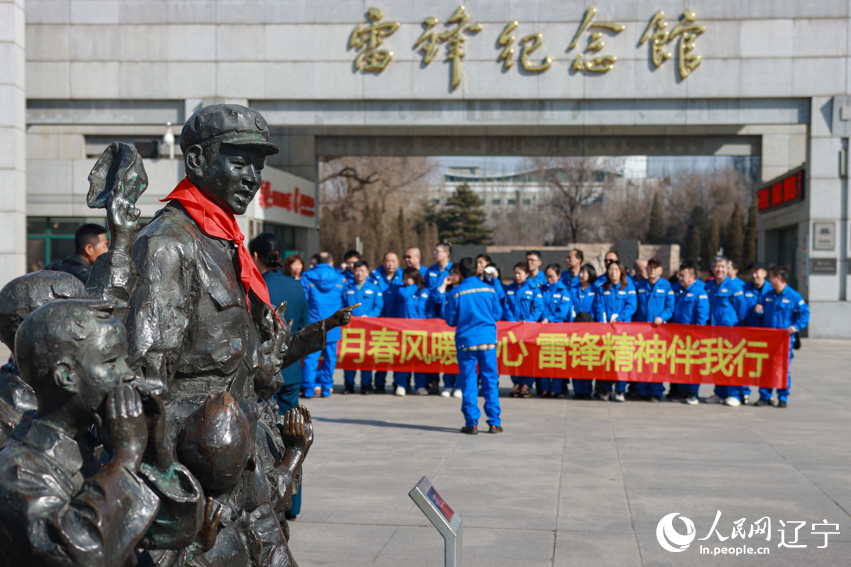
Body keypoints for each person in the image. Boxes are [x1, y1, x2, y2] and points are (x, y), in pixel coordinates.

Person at [0, 299, 203, 565]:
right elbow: (80, 554)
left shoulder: (97, 449)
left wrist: (152, 453)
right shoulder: (16, 472)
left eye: (124, 359)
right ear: (66, 376)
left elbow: (176, 530)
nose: (128, 374)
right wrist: (126, 457)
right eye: (110, 362)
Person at [250, 232, 309, 521]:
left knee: (262, 435)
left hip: (261, 373)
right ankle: (293, 505)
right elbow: (304, 328)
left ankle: (267, 499)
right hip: (292, 369)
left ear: (256, 256)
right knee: (293, 434)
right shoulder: (297, 287)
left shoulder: (254, 285)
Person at [443, 257, 503, 435]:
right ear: (477, 271)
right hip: (487, 341)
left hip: (466, 343)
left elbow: (451, 320)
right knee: (490, 382)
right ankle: (494, 423)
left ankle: (472, 424)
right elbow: (498, 313)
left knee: (468, 383)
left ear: (460, 273)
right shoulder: (490, 290)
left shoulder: (456, 292)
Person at [753, 266, 809, 407]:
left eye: (770, 277)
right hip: (768, 340)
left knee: (782, 369)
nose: (768, 280)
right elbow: (761, 313)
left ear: (778, 278)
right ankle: (765, 396)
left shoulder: (793, 296)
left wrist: (795, 327)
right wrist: (759, 311)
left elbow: (805, 313)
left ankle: (782, 397)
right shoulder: (767, 295)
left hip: (784, 340)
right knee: (766, 368)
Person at [704, 255, 748, 406]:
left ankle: (734, 394)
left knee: (731, 363)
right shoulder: (708, 286)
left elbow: (742, 310)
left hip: (731, 332)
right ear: (712, 268)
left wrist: (739, 329)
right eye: (717, 267)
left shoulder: (735, 286)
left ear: (728, 269)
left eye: (723, 267)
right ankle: (720, 393)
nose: (720, 270)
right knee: (718, 362)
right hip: (714, 332)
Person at [301, 252, 346, 398]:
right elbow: (345, 301)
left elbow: (304, 302)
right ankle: (326, 389)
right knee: (330, 359)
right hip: (333, 325)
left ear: (315, 262)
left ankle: (308, 390)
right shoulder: (339, 279)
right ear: (331, 263)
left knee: (311, 359)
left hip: (314, 325)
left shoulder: (307, 277)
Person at [632, 257, 675, 402]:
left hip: (658, 331)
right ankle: (641, 390)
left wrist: (662, 318)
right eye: (649, 267)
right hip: (641, 331)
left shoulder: (667, 286)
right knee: (641, 360)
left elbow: (670, 307)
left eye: (655, 267)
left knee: (656, 362)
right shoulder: (639, 286)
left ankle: (656, 391)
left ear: (661, 270)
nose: (651, 270)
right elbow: (634, 306)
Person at [592, 261, 636, 402]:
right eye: (610, 270)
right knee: (607, 361)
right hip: (606, 331)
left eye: (616, 270)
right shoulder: (603, 287)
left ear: (621, 271)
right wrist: (602, 319)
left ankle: (620, 390)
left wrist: (619, 317)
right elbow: (598, 305)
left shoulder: (628, 287)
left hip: (623, 330)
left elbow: (632, 306)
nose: (613, 273)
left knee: (621, 361)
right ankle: (605, 390)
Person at [670, 264, 710, 405]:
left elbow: (702, 317)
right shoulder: (676, 290)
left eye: (683, 276)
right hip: (677, 336)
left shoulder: (700, 293)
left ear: (693, 278)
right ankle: (683, 392)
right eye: (679, 276)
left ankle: (693, 393)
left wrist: (697, 334)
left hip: (693, 337)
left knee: (693, 365)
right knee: (681, 365)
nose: (680, 278)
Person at [342, 260, 383, 394]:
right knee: (350, 356)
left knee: (366, 356)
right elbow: (342, 305)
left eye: (362, 271)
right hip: (351, 329)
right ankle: (349, 384)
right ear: (353, 272)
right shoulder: (347, 288)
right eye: (357, 271)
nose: (359, 274)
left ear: (367, 272)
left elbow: (378, 306)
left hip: (368, 329)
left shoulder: (374, 288)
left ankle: (366, 384)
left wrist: (370, 316)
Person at [504, 262, 543, 398]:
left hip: (528, 329)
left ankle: (527, 384)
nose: (517, 276)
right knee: (512, 357)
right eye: (515, 273)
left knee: (528, 357)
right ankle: (516, 383)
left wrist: (530, 321)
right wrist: (512, 321)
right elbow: (506, 307)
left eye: (519, 273)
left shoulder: (533, 289)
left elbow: (539, 308)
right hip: (513, 329)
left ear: (526, 274)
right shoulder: (510, 289)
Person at [369, 251, 404, 393]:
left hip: (398, 322)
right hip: (380, 322)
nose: (390, 264)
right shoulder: (374, 276)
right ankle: (379, 383)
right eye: (387, 261)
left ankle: (399, 383)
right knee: (381, 354)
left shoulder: (403, 276)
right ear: (383, 262)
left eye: (393, 261)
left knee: (398, 353)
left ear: (398, 263)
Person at [395, 267, 431, 396]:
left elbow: (429, 308)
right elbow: (405, 295)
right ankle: (401, 384)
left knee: (419, 358)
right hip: (404, 330)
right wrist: (414, 286)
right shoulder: (402, 290)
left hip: (420, 330)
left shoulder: (425, 292)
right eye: (404, 278)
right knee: (404, 358)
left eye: (408, 278)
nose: (405, 280)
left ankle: (420, 385)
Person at [425, 242, 454, 393]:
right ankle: (433, 381)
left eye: (438, 251)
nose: (435, 254)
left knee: (449, 352)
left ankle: (449, 384)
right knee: (433, 351)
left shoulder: (454, 270)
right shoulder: (430, 271)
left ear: (447, 253)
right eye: (434, 251)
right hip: (433, 318)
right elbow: (428, 294)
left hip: (448, 317)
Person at [540, 264, 572, 398]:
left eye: (552, 276)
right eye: (547, 276)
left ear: (559, 276)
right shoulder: (542, 290)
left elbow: (562, 312)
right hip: (542, 331)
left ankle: (557, 389)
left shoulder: (564, 292)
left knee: (557, 361)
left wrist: (549, 319)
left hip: (557, 331)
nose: (549, 279)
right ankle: (545, 388)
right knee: (543, 360)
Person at [570, 263, 597, 399]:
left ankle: (586, 390)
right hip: (575, 330)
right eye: (580, 272)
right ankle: (577, 390)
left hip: (590, 330)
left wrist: (589, 320)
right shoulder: (573, 289)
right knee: (576, 359)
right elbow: (570, 307)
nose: (581, 275)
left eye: (584, 273)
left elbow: (598, 307)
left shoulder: (595, 289)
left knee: (587, 360)